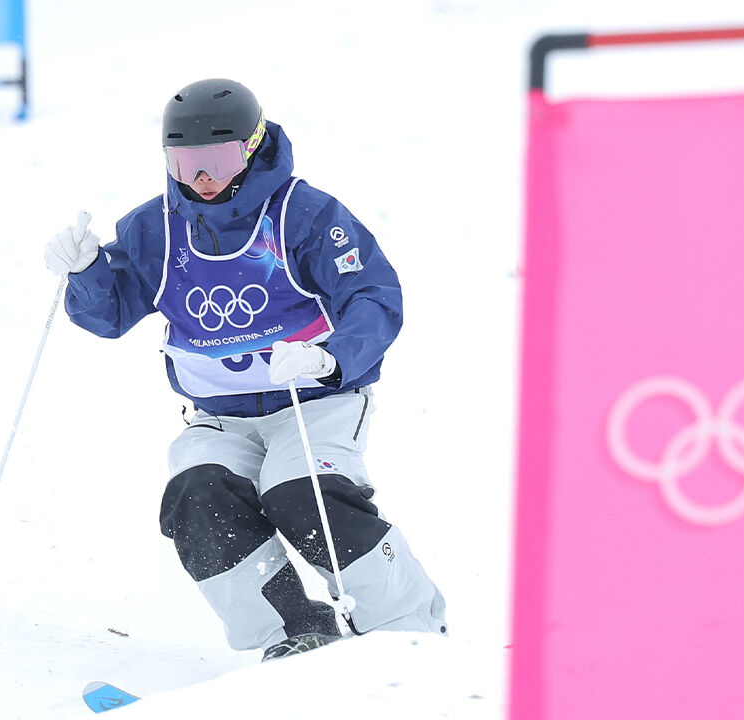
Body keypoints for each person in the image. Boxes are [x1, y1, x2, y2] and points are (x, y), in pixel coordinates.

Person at [43, 78, 446, 660]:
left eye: (217, 159)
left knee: (304, 493)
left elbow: (373, 295)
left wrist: (332, 358)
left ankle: (407, 630)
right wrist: (84, 272)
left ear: (252, 147)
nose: (201, 179)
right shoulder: (155, 229)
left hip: (313, 400)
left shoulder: (303, 217)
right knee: (197, 497)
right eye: (184, 163)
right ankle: (293, 633)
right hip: (220, 416)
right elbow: (109, 315)